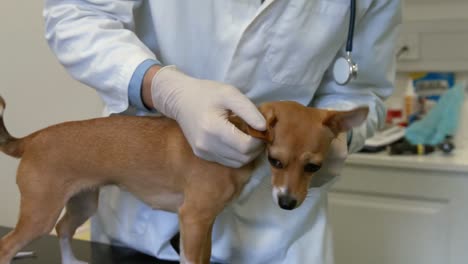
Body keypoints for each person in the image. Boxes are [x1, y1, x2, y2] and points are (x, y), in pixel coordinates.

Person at [43, 1, 401, 263]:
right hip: (141, 222)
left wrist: (334, 137)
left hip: (277, 239)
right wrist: (158, 86)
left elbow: (361, 89)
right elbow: (77, 13)